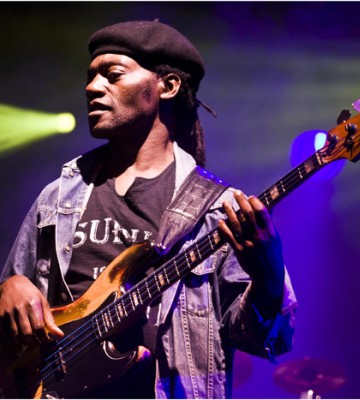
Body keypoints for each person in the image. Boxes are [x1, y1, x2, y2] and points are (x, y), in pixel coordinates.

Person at [0, 20, 297, 399]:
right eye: (90, 77)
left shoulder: (216, 211)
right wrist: (8, 289)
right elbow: (10, 332)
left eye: (112, 74)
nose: (92, 87)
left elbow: (271, 341)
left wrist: (268, 275)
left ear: (167, 86)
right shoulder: (58, 197)